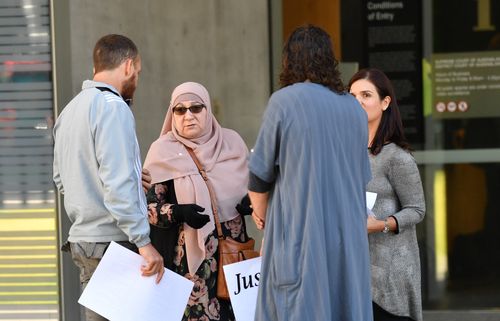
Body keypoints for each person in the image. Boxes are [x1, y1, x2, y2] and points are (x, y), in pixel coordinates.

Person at [248, 25, 373, 321]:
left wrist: (264, 218)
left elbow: (259, 177)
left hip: (300, 238)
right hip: (347, 243)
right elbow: (360, 177)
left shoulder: (284, 101)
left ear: (289, 60)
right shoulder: (354, 109)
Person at [53, 34, 164, 321]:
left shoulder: (69, 111)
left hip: (84, 241)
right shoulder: (114, 107)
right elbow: (116, 183)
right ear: (128, 66)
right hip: (112, 244)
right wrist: (143, 242)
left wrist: (124, 179)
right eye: (137, 73)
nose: (136, 80)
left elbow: (62, 179)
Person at [143, 81, 253, 321]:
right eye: (179, 110)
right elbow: (149, 209)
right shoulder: (163, 151)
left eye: (196, 107)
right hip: (190, 268)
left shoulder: (232, 143)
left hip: (233, 257)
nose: (188, 115)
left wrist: (250, 201)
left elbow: (255, 189)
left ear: (208, 110)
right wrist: (178, 212)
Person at [348, 68, 426, 321]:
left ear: (385, 102)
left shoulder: (396, 157)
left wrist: (381, 225)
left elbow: (417, 209)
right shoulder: (344, 153)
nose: (358, 101)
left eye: (366, 95)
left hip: (389, 274)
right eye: (352, 95)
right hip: (353, 269)